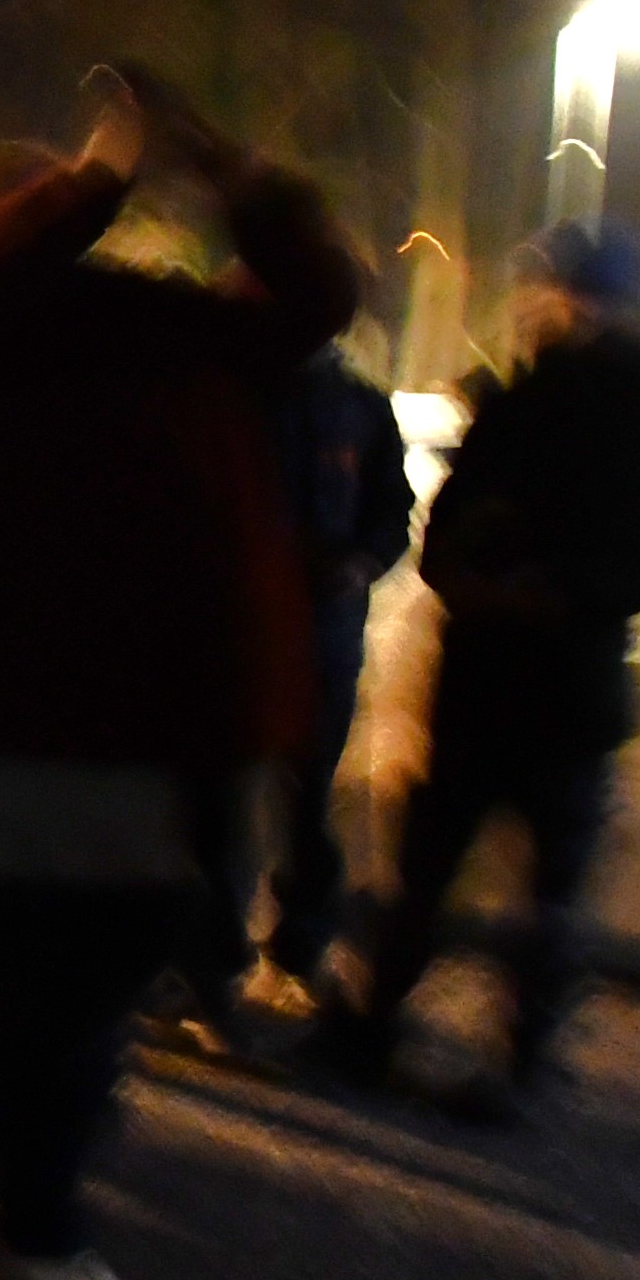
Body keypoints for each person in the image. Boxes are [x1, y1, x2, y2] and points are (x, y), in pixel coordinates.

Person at [0, 61, 364, 1280]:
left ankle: (41, 1232)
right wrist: (95, 175)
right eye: (35, 217)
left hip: (149, 732)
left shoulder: (146, 328)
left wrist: (235, 179)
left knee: (84, 1016)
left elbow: (314, 302)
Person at [324, 221, 640, 1115]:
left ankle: (417, 1038)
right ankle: (492, 1055)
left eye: (569, 299)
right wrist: (553, 589)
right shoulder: (584, 413)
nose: (554, 314)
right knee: (509, 886)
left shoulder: (569, 413)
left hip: (521, 683)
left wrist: (540, 590)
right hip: (543, 687)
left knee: (462, 879)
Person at [252, 327, 420, 1011]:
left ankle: (295, 947)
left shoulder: (356, 404)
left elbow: (391, 507)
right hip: (249, 626)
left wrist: (361, 562)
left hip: (322, 630)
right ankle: (206, 959)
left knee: (304, 791)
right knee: (222, 794)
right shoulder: (242, 391)